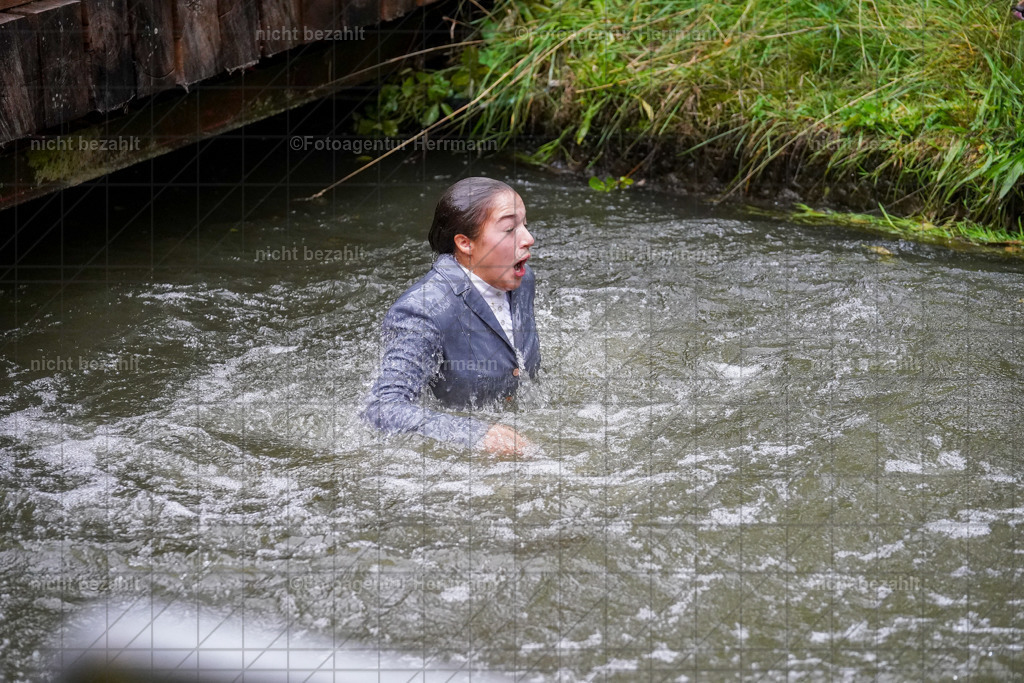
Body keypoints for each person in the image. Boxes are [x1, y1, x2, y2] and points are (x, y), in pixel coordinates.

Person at [362, 177, 539, 458]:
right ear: (465, 243)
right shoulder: (423, 311)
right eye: (509, 229)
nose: (528, 239)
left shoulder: (521, 278)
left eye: (525, 225)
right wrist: (475, 434)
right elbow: (382, 408)